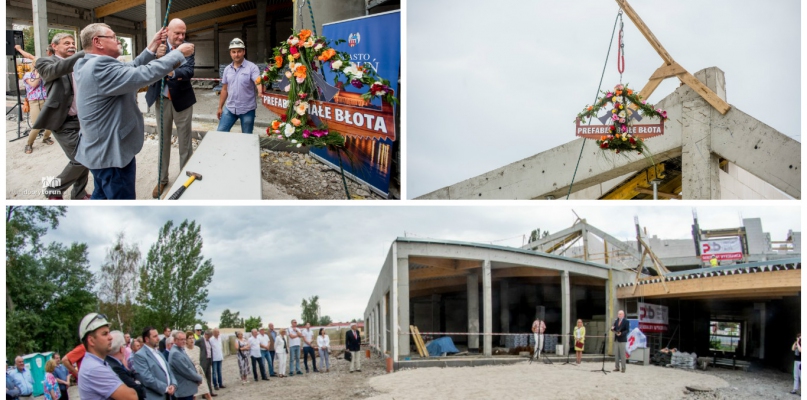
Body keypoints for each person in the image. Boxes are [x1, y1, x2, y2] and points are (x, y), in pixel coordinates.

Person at [73, 23, 193, 200]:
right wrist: (178, 54)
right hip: (111, 156)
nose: (118, 40)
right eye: (113, 37)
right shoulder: (99, 67)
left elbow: (132, 66)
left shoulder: (87, 63)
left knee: (100, 194)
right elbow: (143, 74)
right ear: (97, 42)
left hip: (100, 154)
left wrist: (151, 46)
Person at [31, 33, 89, 200]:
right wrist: (86, 50)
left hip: (83, 119)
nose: (71, 46)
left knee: (87, 157)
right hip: (63, 121)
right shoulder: (45, 62)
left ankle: (79, 194)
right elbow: (54, 72)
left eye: (73, 43)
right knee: (80, 159)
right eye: (66, 43)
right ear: (54, 46)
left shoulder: (80, 63)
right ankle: (53, 190)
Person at [145, 18, 197, 199]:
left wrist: (169, 68)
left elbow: (189, 71)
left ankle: (185, 177)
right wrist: (155, 56)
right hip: (161, 100)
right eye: (178, 33)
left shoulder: (188, 47)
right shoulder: (157, 46)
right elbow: (144, 67)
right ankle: (162, 179)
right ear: (168, 31)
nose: (182, 37)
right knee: (163, 142)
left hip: (182, 100)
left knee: (185, 141)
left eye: (184, 33)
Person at [76, 313, 138, 400]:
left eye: (109, 333)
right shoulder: (94, 369)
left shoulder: (96, 362)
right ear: (91, 340)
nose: (110, 337)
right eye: (105, 334)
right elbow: (132, 397)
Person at [216, 38, 262, 134]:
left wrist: (260, 91)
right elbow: (224, 89)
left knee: (246, 136)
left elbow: (257, 81)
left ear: (244, 52)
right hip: (230, 108)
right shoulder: (227, 69)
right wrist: (220, 107)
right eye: (234, 52)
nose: (236, 54)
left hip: (247, 110)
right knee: (220, 133)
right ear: (230, 53)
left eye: (239, 51)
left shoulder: (252, 67)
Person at [18, 52, 54, 154]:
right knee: (37, 125)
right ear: (33, 65)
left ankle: (46, 138)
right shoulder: (28, 75)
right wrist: (38, 74)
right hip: (34, 101)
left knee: (51, 122)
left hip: (45, 99)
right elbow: (33, 85)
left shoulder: (45, 74)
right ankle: (29, 144)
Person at [133, 326, 177, 400]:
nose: (158, 339)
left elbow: (169, 371)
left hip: (168, 395)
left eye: (158, 336)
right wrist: (166, 388)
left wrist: (174, 384)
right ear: (147, 339)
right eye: (155, 336)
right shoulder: (140, 355)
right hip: (155, 396)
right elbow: (147, 378)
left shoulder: (158, 352)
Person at [106, 330, 146, 400]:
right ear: (121, 349)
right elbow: (138, 390)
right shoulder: (115, 367)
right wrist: (137, 382)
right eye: (124, 345)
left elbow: (132, 375)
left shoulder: (113, 362)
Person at [167, 331, 202, 400]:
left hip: (187, 390)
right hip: (184, 391)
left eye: (184, 339)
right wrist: (198, 378)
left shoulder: (180, 349)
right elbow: (186, 371)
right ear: (175, 340)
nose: (183, 341)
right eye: (181, 339)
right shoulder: (175, 353)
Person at [184, 331, 212, 400]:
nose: (192, 340)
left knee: (207, 393)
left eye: (193, 338)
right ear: (186, 340)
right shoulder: (184, 350)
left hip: (199, 373)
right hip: (191, 374)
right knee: (194, 396)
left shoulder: (197, 348)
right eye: (190, 338)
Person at [194, 330, 216, 396]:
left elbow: (210, 350)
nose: (209, 338)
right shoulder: (200, 340)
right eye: (209, 336)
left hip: (208, 360)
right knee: (203, 378)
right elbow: (194, 348)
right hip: (203, 361)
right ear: (206, 335)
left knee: (209, 376)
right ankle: (204, 394)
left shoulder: (208, 341)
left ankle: (210, 392)